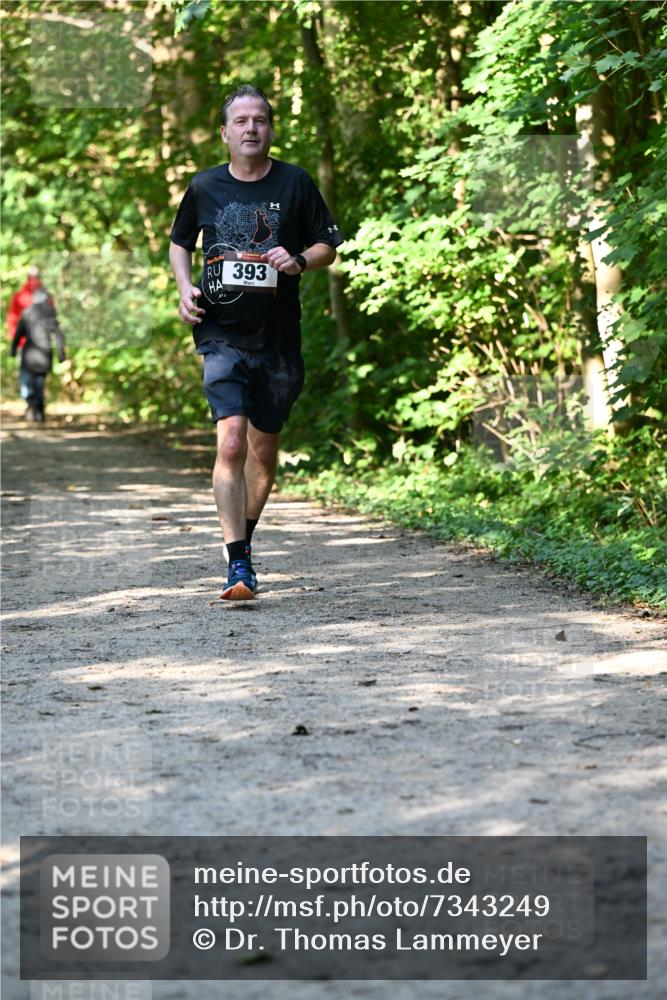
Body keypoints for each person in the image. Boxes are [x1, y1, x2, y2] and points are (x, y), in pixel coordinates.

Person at [169, 84, 342, 601]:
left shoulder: (296, 183)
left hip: (279, 341)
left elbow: (328, 244)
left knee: (263, 456)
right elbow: (180, 244)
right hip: (221, 334)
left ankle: (242, 541)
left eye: (259, 120)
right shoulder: (204, 187)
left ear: (270, 128)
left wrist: (300, 260)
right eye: (240, 121)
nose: (250, 128)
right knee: (231, 440)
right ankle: (238, 563)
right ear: (224, 133)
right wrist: (183, 290)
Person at [10, 288, 65, 423]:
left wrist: (12, 350)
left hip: (28, 355)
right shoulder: (50, 312)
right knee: (39, 384)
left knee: (27, 382)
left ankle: (31, 404)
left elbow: (18, 334)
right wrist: (61, 354)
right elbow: (59, 336)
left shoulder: (28, 312)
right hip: (44, 356)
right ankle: (39, 411)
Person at [7, 265, 48, 348]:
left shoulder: (18, 296)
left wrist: (15, 340)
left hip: (24, 342)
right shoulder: (45, 296)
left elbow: (12, 320)